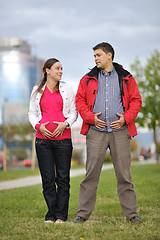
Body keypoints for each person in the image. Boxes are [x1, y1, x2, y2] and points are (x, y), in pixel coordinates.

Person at [74, 42, 142, 223]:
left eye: (98, 55)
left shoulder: (126, 77)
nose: (95, 58)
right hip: (96, 132)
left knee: (124, 175)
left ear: (109, 55)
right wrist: (90, 117)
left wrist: (126, 118)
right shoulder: (87, 78)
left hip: (120, 132)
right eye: (94, 56)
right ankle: (82, 214)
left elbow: (136, 101)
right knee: (90, 175)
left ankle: (132, 214)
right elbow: (79, 100)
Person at [28, 58, 78, 223]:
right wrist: (38, 126)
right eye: (57, 68)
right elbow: (31, 113)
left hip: (63, 140)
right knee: (48, 179)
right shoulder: (37, 90)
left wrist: (65, 124)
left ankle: (61, 216)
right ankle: (51, 214)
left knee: (63, 179)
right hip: (43, 142)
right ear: (47, 70)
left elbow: (73, 112)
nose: (60, 71)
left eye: (61, 68)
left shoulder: (67, 88)